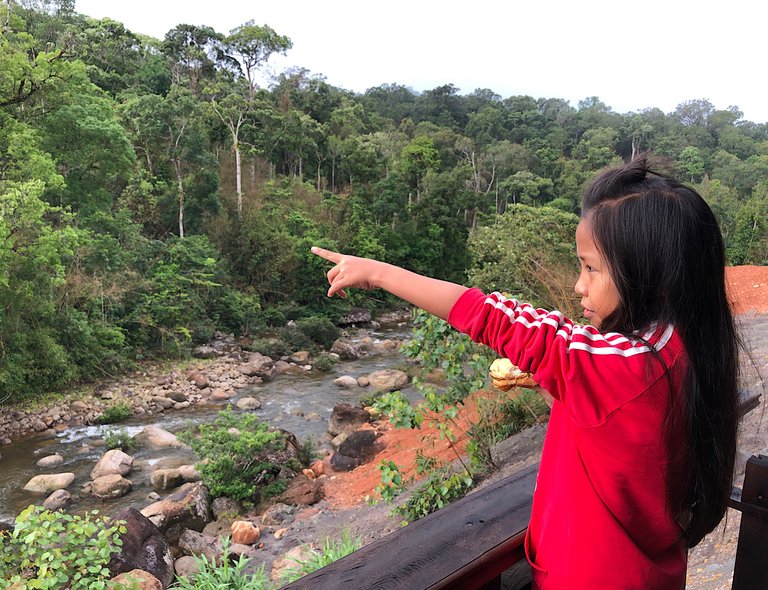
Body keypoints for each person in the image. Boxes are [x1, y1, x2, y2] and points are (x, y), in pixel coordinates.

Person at [311, 156, 740, 589]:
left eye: (591, 268)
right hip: (649, 571)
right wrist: (554, 384)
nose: (578, 285)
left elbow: (494, 316)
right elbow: (622, 434)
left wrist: (380, 273)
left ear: (654, 275)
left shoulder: (620, 366)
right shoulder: (682, 347)